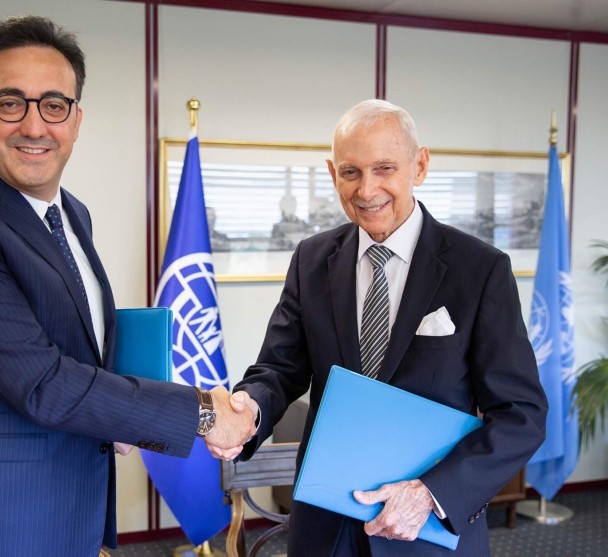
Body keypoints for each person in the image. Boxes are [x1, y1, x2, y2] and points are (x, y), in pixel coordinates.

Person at [0, 15, 255, 557]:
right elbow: (43, 382)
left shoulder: (70, 213)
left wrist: (128, 413)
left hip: (67, 505)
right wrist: (201, 411)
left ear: (76, 119)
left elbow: (74, 345)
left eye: (54, 105)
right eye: (11, 103)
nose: (34, 127)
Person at [211, 99, 548, 556]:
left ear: (420, 165)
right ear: (333, 173)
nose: (367, 190)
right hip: (324, 529)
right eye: (351, 172)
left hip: (426, 529)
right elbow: (280, 368)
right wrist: (248, 410)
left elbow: (521, 414)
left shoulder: (480, 269)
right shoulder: (312, 259)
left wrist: (432, 493)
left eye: (384, 168)